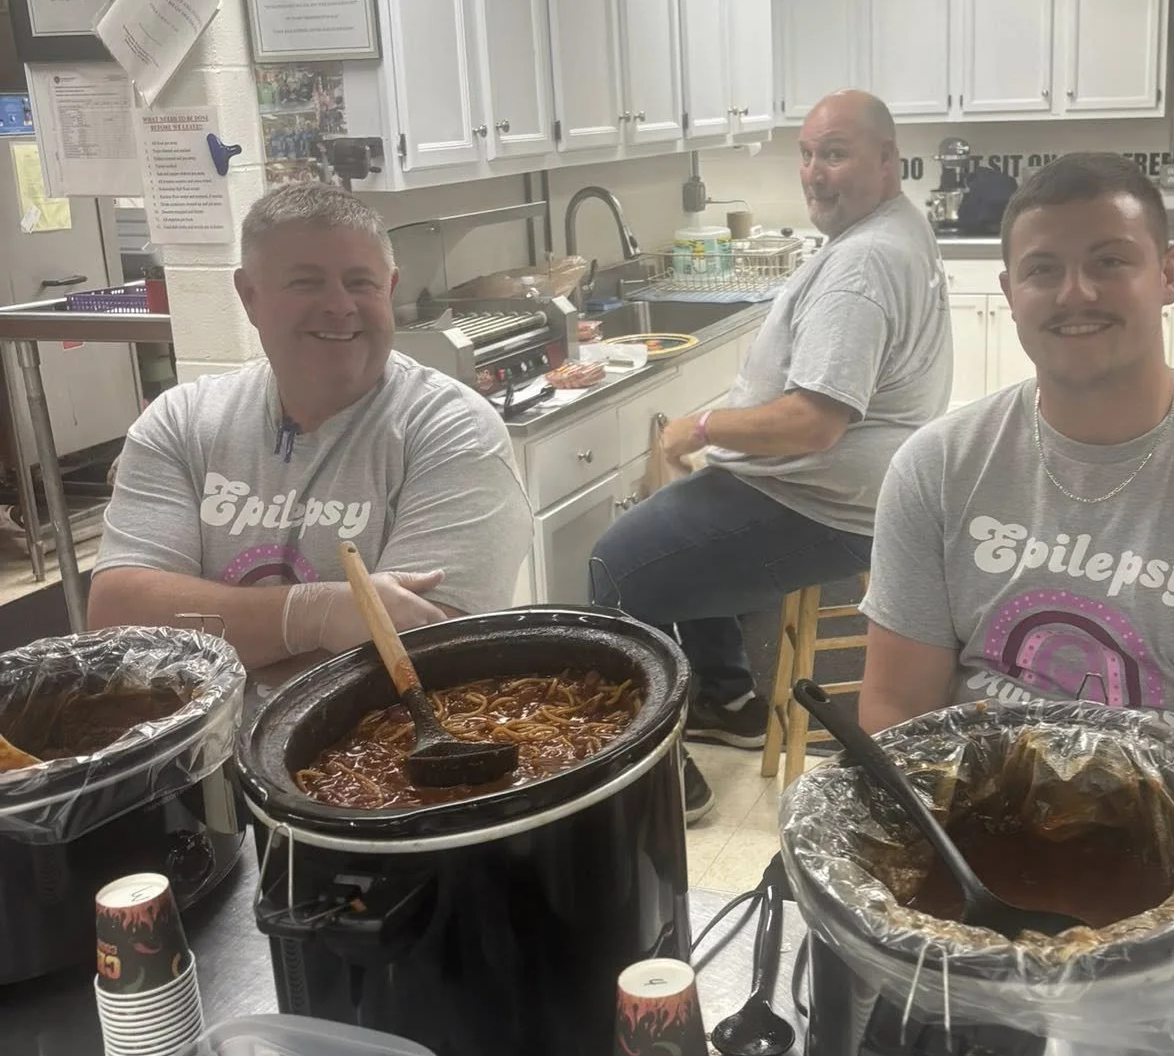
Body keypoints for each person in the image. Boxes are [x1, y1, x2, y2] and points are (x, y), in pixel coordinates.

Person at [861, 151, 1174, 976]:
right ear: (1009, 292)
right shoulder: (937, 467)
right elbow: (896, 715)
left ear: (1169, 274)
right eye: (1043, 270)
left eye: (1109, 262)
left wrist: (1092, 949)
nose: (1075, 294)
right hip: (964, 846)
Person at [590, 88, 952, 822]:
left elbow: (814, 422)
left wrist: (701, 426)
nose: (816, 172)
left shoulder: (864, 267)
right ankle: (727, 699)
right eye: (809, 154)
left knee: (617, 567)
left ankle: (658, 775)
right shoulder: (893, 231)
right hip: (834, 496)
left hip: (815, 502)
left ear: (886, 160)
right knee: (676, 520)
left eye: (837, 154)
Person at [90, 183, 531, 677]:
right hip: (194, 746)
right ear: (249, 296)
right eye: (306, 282)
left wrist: (206, 624)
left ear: (390, 287)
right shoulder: (181, 422)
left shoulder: (451, 430)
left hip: (369, 748)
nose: (340, 305)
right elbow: (117, 618)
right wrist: (314, 615)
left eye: (361, 282)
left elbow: (416, 651)